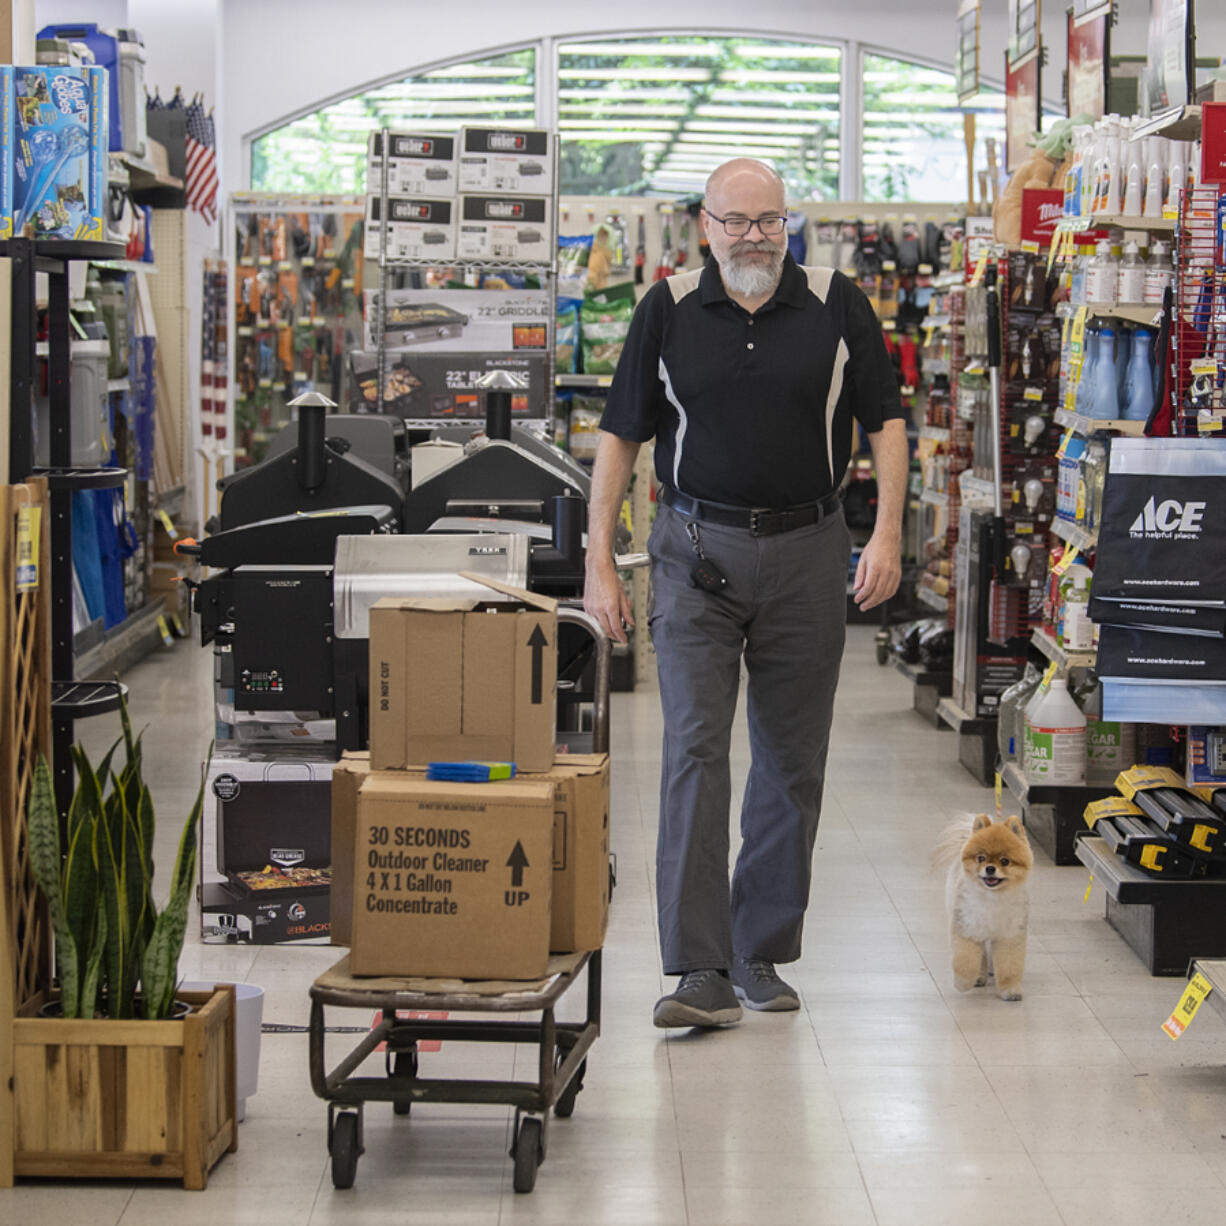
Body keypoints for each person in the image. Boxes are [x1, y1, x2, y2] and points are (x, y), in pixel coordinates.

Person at [583, 158, 908, 1029]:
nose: (753, 236)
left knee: (790, 758)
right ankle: (698, 968)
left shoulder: (837, 303)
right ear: (705, 225)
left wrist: (885, 533)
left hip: (809, 549)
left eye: (769, 220)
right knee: (693, 749)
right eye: (735, 221)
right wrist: (599, 560)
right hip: (694, 554)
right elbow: (621, 435)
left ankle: (758, 948)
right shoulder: (669, 306)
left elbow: (885, 421)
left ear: (788, 224)